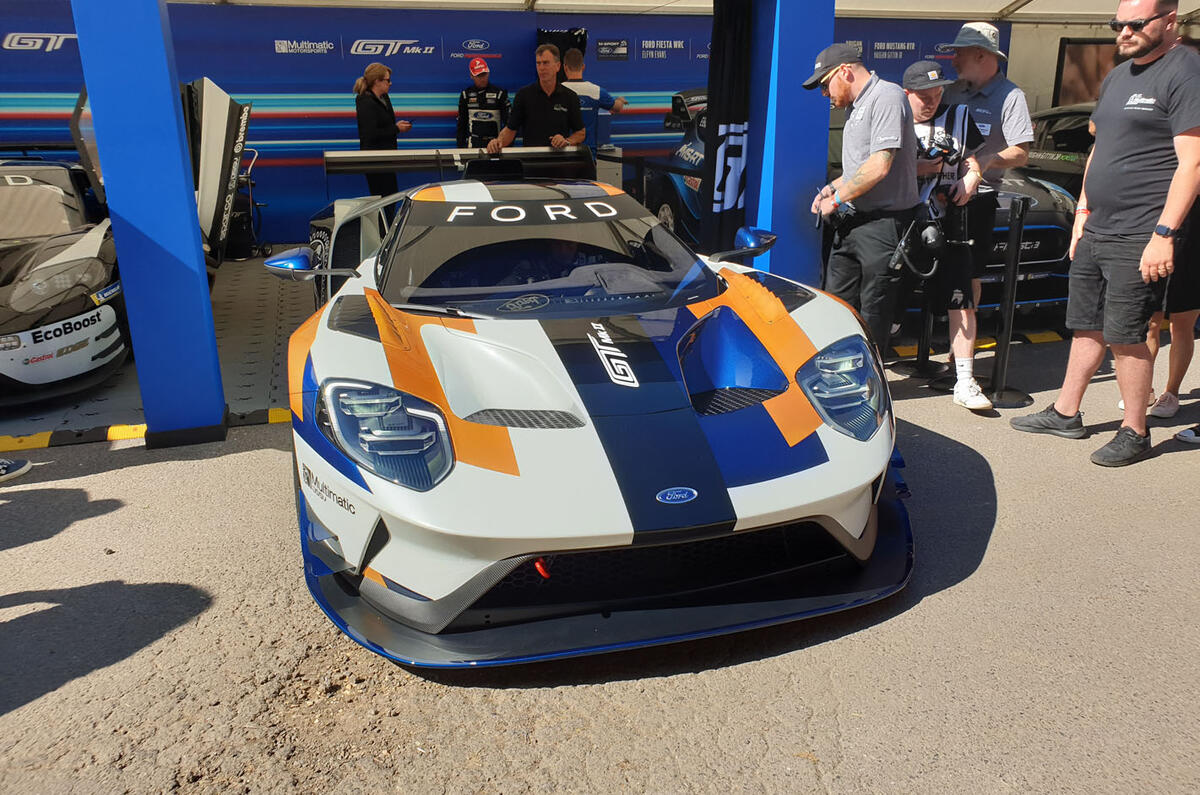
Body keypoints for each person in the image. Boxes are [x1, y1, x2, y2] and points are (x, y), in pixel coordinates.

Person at [1011, 0, 1200, 467]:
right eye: (1118, 24)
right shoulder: (1119, 76)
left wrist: (1164, 233)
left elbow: (1193, 161)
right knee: (1085, 325)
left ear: (1169, 21)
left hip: (1142, 229)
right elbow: (1100, 146)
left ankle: (1135, 431)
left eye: (1136, 24)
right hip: (1098, 225)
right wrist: (1082, 211)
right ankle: (1065, 412)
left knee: (1128, 335)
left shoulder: (1186, 70)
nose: (1124, 32)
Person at [937, 23, 1035, 408]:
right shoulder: (952, 90)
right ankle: (947, 355)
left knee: (968, 277)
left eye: (960, 52)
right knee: (936, 275)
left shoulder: (1010, 96)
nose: (953, 57)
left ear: (981, 54)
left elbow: (1022, 151)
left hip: (979, 199)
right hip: (940, 195)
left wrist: (988, 159)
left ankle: (962, 364)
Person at [806, 42, 920, 352]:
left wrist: (837, 198)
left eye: (825, 84)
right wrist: (832, 188)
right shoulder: (856, 107)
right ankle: (840, 372)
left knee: (874, 310)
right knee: (837, 301)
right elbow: (858, 169)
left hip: (883, 225)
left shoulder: (887, 96)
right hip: (853, 220)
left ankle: (871, 384)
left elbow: (879, 166)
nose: (824, 94)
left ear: (844, 71)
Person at [904, 59, 991, 410]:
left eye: (938, 93)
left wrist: (972, 177)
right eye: (924, 96)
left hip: (948, 222)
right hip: (902, 222)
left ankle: (965, 379)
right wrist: (921, 168)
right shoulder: (892, 117)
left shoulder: (959, 115)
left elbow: (971, 159)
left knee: (962, 298)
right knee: (886, 303)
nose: (932, 102)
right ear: (906, 93)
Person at [486, 44, 585, 154]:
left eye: (546, 63)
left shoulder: (570, 97)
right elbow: (510, 130)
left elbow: (581, 132)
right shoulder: (523, 95)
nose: (542, 68)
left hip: (560, 162)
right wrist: (498, 142)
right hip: (531, 162)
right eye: (539, 63)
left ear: (558, 66)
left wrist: (567, 141)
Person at [353, 62, 413, 198]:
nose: (390, 83)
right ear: (377, 81)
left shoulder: (384, 98)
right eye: (387, 80)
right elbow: (370, 133)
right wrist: (396, 128)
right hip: (374, 160)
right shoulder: (365, 101)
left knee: (391, 197)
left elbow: (387, 125)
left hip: (388, 157)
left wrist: (397, 127)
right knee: (382, 199)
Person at [456, 57, 509, 149]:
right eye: (479, 75)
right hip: (473, 145)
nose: (482, 78)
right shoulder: (466, 95)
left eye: (484, 74)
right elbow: (461, 125)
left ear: (488, 72)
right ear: (471, 76)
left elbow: (509, 123)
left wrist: (505, 145)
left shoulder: (499, 93)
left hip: (495, 145)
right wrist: (461, 149)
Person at [561, 47, 627, 114]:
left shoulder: (556, 91)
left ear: (565, 67)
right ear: (583, 67)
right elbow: (617, 107)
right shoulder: (597, 91)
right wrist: (620, 100)